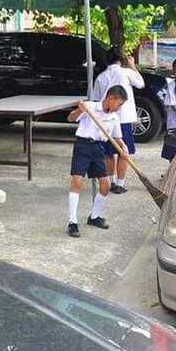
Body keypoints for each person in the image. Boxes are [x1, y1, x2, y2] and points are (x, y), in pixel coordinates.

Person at [65, 85, 128, 238]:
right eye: (119, 104)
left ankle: (94, 216)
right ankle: (72, 222)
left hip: (98, 148)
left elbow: (116, 137)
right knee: (77, 181)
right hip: (83, 145)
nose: (119, 108)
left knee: (106, 185)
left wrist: (123, 147)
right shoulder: (90, 107)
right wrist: (79, 111)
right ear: (111, 98)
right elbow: (70, 118)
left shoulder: (114, 117)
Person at [92, 47, 145, 194]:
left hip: (107, 119)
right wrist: (133, 66)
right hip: (123, 118)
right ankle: (120, 183)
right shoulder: (126, 72)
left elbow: (96, 100)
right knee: (124, 151)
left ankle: (111, 181)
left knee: (109, 152)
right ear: (122, 59)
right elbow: (141, 84)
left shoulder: (101, 77)